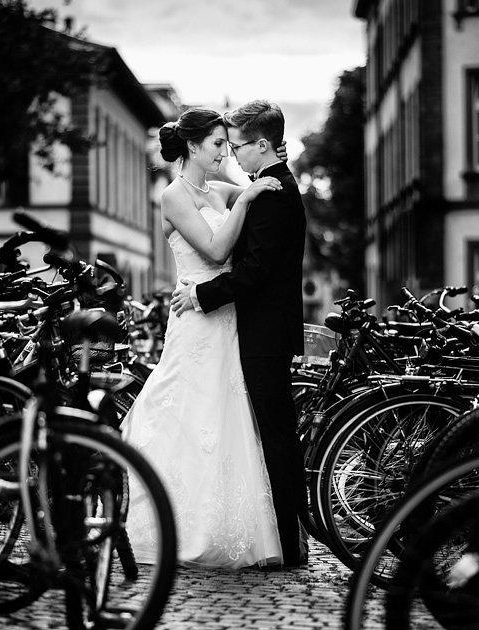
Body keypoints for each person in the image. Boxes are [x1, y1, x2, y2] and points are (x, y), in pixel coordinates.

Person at [121, 107, 288, 569]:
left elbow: (268, 186)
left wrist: (265, 174)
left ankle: (230, 524)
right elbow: (215, 252)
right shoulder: (174, 196)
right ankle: (171, 521)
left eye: (227, 144)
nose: (224, 153)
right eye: (217, 144)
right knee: (190, 416)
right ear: (193, 147)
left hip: (226, 317)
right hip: (195, 317)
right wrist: (248, 197)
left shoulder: (220, 189)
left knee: (226, 418)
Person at [170, 100, 308, 568]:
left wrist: (202, 295)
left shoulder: (271, 193)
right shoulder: (262, 188)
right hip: (243, 328)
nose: (232, 155)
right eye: (221, 145)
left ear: (263, 145)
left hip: (262, 330)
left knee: (275, 436)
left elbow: (253, 271)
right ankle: (281, 536)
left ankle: (289, 542)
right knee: (255, 433)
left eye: (238, 146)